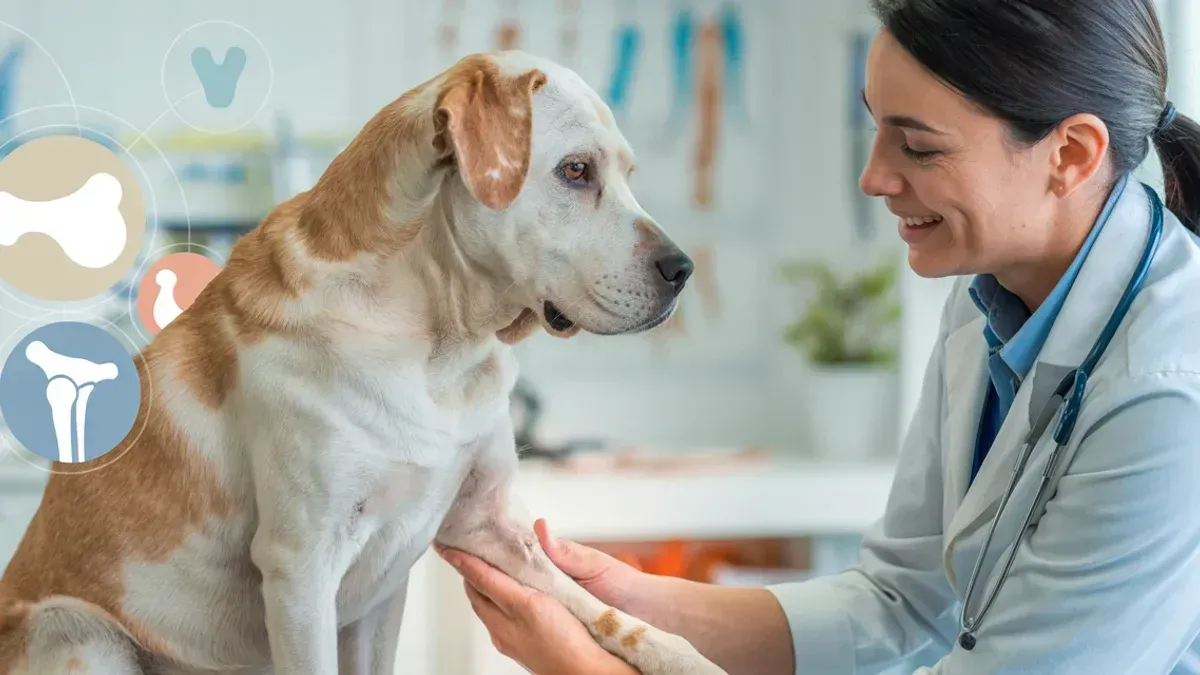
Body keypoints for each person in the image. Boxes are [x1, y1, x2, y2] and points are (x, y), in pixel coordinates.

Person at [437, 0, 1200, 672]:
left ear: (1070, 155)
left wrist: (593, 670)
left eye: (919, 145)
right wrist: (628, 603)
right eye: (875, 128)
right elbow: (900, 602)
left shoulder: (1166, 394)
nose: (873, 175)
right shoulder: (990, 301)